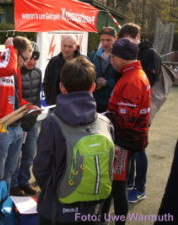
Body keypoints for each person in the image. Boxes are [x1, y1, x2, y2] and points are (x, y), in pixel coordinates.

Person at [33, 56, 114, 225]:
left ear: (62, 87)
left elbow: (41, 167)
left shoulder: (52, 123)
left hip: (57, 209)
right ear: (93, 87)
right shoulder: (105, 123)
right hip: (91, 208)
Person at [101, 38, 151, 225]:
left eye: (114, 56)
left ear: (124, 56)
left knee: (116, 186)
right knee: (113, 184)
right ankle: (103, 218)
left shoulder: (132, 79)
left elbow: (125, 120)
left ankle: (115, 221)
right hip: (129, 140)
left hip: (123, 143)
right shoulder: (135, 74)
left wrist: (103, 118)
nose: (111, 59)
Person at [0, 36, 38, 190]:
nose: (26, 62)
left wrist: (29, 107)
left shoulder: (16, 69)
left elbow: (17, 98)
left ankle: (3, 203)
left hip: (16, 127)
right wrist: (10, 48)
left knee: (9, 173)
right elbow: (8, 69)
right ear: (16, 52)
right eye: (25, 58)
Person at [118, 23, 161, 203]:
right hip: (127, 110)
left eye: (128, 39)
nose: (125, 44)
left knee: (139, 149)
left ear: (137, 37)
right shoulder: (126, 54)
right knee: (128, 149)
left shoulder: (149, 54)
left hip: (142, 111)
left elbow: (147, 83)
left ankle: (140, 188)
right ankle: (129, 182)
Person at [10, 42, 41, 196]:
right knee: (16, 155)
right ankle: (14, 184)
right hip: (18, 121)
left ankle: (24, 181)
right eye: (29, 57)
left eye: (35, 58)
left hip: (32, 122)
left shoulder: (38, 73)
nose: (31, 61)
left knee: (29, 154)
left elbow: (36, 97)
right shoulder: (15, 72)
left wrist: (36, 110)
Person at [43, 34, 81, 105]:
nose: (66, 49)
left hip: (76, 105)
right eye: (64, 46)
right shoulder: (53, 62)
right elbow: (46, 82)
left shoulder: (83, 62)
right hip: (55, 105)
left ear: (75, 47)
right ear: (61, 45)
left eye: (70, 47)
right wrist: (50, 100)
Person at [89, 27, 118, 113]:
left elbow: (123, 80)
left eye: (109, 40)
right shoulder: (93, 55)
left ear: (115, 40)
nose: (105, 43)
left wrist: (107, 83)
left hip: (112, 103)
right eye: (102, 40)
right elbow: (87, 76)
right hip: (94, 102)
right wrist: (95, 81)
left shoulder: (120, 58)